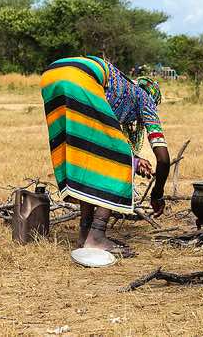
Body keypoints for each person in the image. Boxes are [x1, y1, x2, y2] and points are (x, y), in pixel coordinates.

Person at [40, 56, 170, 256]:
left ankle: (84, 233)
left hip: (51, 75)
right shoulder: (145, 100)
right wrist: (157, 194)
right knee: (116, 163)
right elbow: (163, 158)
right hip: (80, 77)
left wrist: (134, 160)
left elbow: (104, 142)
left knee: (91, 160)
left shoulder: (121, 92)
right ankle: (97, 236)